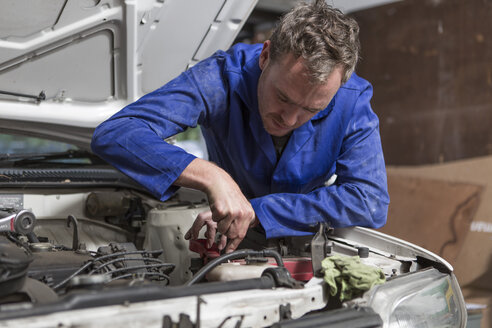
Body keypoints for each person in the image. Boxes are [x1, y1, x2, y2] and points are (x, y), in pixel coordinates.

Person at [91, 1, 389, 254]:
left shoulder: (352, 99)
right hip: (228, 240)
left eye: (312, 110)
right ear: (265, 55)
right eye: (283, 97)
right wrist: (211, 176)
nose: (289, 118)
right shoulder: (220, 78)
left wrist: (260, 211)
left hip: (308, 238)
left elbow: (370, 201)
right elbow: (118, 133)